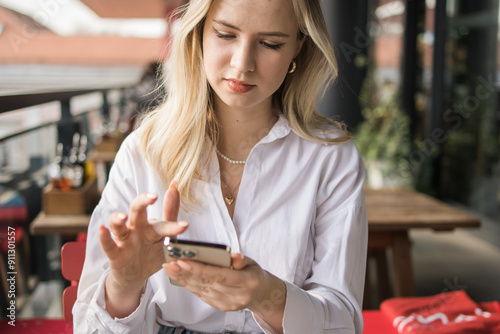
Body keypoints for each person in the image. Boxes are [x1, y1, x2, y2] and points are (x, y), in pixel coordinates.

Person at [74, 0, 368, 333]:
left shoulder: (331, 158)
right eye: (226, 35)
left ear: (299, 46)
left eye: (271, 44)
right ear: (198, 34)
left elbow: (343, 324)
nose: (243, 65)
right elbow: (88, 327)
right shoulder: (143, 152)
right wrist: (124, 283)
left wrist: (267, 295)